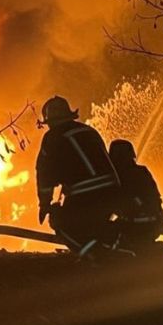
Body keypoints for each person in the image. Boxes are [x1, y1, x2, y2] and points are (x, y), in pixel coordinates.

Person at [35, 95, 121, 256]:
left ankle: (94, 255)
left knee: (59, 222)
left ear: (50, 121)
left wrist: (45, 204)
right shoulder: (89, 131)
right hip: (113, 191)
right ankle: (115, 247)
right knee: (98, 225)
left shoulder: (52, 137)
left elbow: (45, 176)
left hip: (85, 195)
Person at [108, 139, 163, 254]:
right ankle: (144, 246)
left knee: (106, 234)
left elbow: (112, 203)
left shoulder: (117, 176)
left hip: (135, 225)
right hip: (154, 224)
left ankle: (132, 248)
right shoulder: (142, 172)